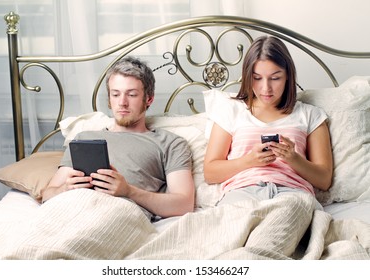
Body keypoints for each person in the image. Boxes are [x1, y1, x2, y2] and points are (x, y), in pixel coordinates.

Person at [203, 36, 333, 256]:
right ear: (247, 77)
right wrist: (248, 161)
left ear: (288, 77)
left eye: (275, 78)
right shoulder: (231, 111)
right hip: (244, 193)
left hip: (292, 195)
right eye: (257, 78)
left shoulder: (309, 115)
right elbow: (210, 172)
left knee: (292, 212)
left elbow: (324, 179)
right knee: (229, 232)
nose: (266, 88)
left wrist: (294, 159)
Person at [42, 56, 195, 221]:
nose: (122, 102)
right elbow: (47, 195)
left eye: (132, 95)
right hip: (74, 210)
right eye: (115, 94)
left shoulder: (170, 143)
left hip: (121, 216)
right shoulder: (84, 139)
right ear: (109, 99)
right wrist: (66, 188)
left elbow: (184, 204)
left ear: (148, 99)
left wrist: (128, 191)